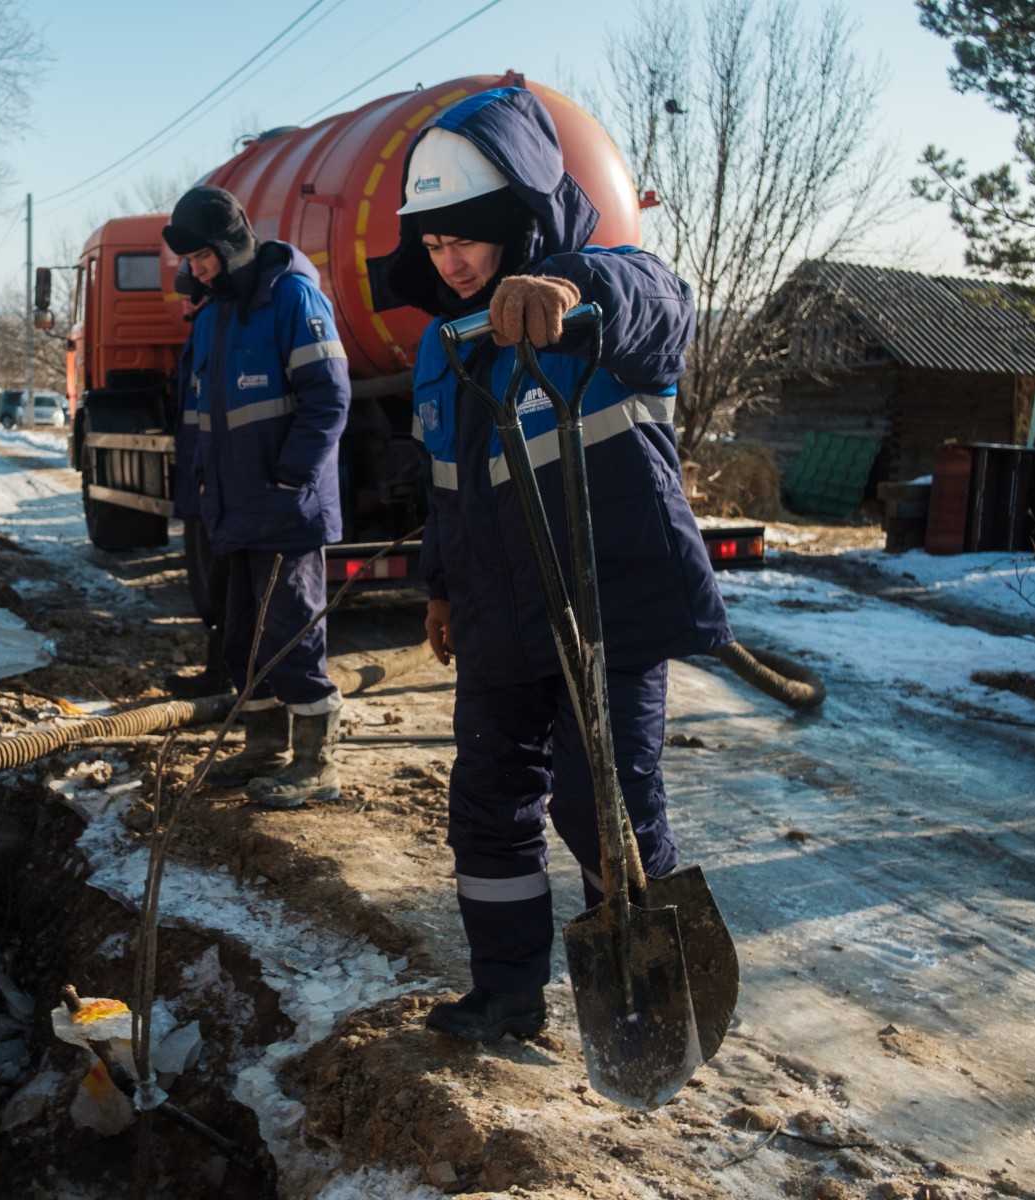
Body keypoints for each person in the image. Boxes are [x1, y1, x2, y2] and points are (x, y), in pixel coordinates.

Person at [369, 87, 732, 1041]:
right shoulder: (444, 349)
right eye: (434, 242)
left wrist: (574, 292)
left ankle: (656, 997)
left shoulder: (608, 289)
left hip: (603, 608)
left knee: (601, 803)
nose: (448, 261)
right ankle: (507, 995)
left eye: (467, 239)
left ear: (518, 220)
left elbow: (665, 306)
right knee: (487, 805)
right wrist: (441, 591)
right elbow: (448, 483)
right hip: (496, 615)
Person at [161, 185, 352, 808]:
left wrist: (290, 478)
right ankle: (263, 748)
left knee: (291, 632)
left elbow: (328, 397)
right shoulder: (212, 314)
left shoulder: (292, 298)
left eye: (200, 256)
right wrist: (194, 492)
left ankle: (315, 762)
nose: (194, 269)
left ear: (227, 244)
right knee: (242, 636)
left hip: (283, 509)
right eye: (188, 260)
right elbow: (195, 416)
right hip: (231, 511)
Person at [163, 261, 228, 699]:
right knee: (218, 582)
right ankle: (220, 672)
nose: (183, 305)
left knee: (218, 582)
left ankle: (222, 677)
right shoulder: (210, 322)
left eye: (187, 295)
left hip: (209, 478)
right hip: (204, 475)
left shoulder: (210, 323)